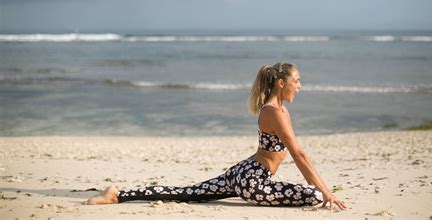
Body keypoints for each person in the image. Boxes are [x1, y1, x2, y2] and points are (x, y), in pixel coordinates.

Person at [86, 62, 347, 210]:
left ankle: (118, 194)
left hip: (245, 173)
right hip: (252, 182)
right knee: (313, 196)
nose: (300, 86)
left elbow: (291, 153)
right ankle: (117, 195)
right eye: (297, 81)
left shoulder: (279, 109)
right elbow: (299, 154)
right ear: (281, 83)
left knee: (187, 193)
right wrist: (326, 192)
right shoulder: (274, 112)